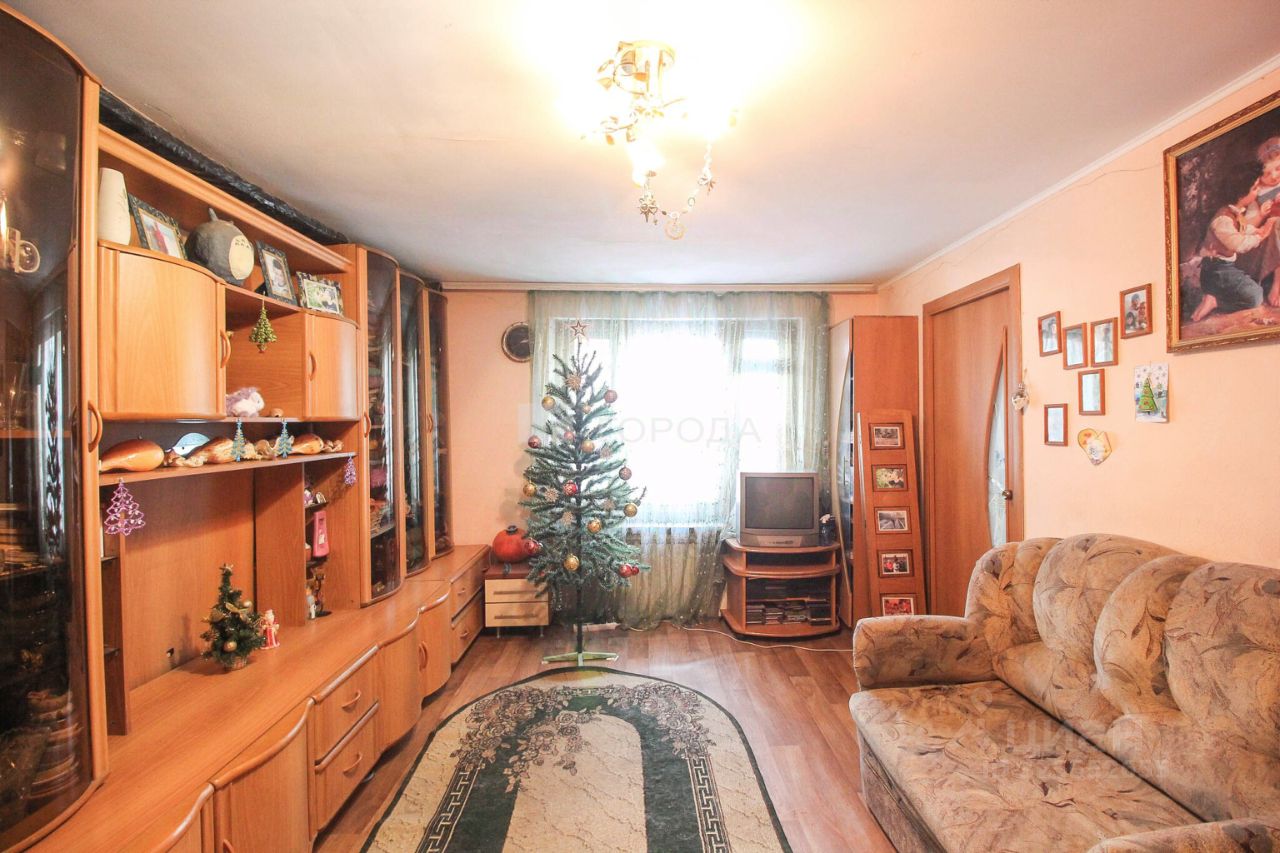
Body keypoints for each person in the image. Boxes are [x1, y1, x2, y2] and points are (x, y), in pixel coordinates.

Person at [1191, 179, 1277, 322]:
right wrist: (1260, 236)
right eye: (1254, 189)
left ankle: (1217, 296)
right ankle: (1215, 301)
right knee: (1255, 297)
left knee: (1253, 289)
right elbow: (1238, 244)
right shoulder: (1222, 219)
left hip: (1224, 268)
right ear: (1241, 195)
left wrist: (1258, 228)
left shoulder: (1235, 212)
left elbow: (1242, 228)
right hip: (1216, 270)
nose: (1257, 192)